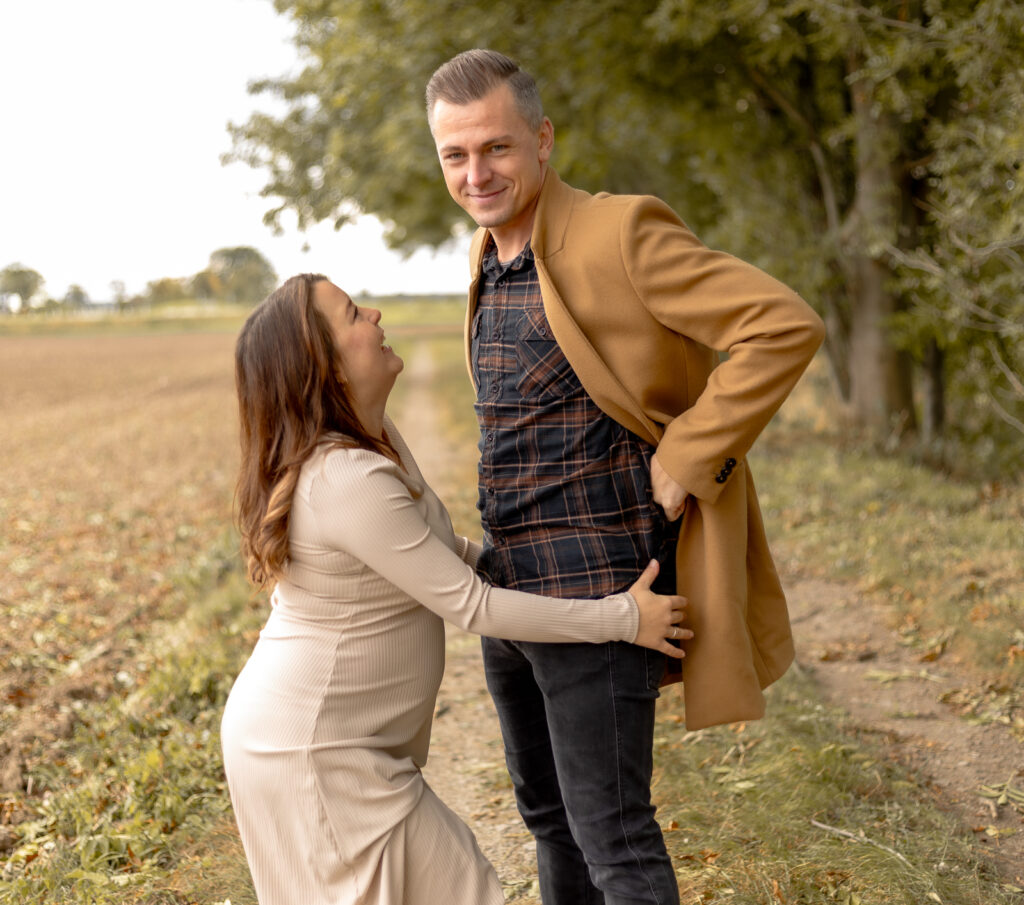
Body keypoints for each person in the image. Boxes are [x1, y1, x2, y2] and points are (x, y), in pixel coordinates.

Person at [425, 49, 826, 904]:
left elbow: (781, 323)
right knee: (547, 817)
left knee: (614, 835)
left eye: (495, 148)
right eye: (454, 155)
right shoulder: (483, 256)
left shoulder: (620, 232)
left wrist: (687, 456)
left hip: (603, 593)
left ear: (543, 139)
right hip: (513, 592)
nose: (476, 173)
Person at [220, 272, 692, 905]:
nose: (377, 315)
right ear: (325, 369)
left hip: (325, 745)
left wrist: (531, 561)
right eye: (355, 315)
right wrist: (623, 618)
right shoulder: (345, 477)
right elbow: (473, 604)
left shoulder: (374, 440)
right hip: (316, 754)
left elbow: (440, 557)